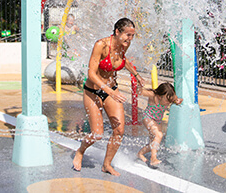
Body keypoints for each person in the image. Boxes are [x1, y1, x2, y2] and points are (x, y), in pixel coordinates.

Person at [73, 17, 144, 176]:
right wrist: (110, 91)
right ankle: (80, 151)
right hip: (93, 92)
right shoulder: (101, 45)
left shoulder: (124, 45)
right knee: (97, 134)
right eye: (127, 35)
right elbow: (91, 73)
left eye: (132, 35)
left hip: (111, 89)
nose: (130, 39)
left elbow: (122, 60)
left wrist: (136, 75)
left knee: (119, 130)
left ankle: (106, 164)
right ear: (117, 32)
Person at [137, 82, 183, 167]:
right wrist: (139, 84)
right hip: (148, 118)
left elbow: (177, 99)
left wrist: (177, 101)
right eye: (166, 100)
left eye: (170, 100)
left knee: (154, 144)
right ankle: (153, 159)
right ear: (159, 96)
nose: (168, 103)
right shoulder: (153, 95)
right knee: (159, 135)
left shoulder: (170, 96)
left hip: (158, 121)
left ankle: (140, 154)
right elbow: (138, 91)